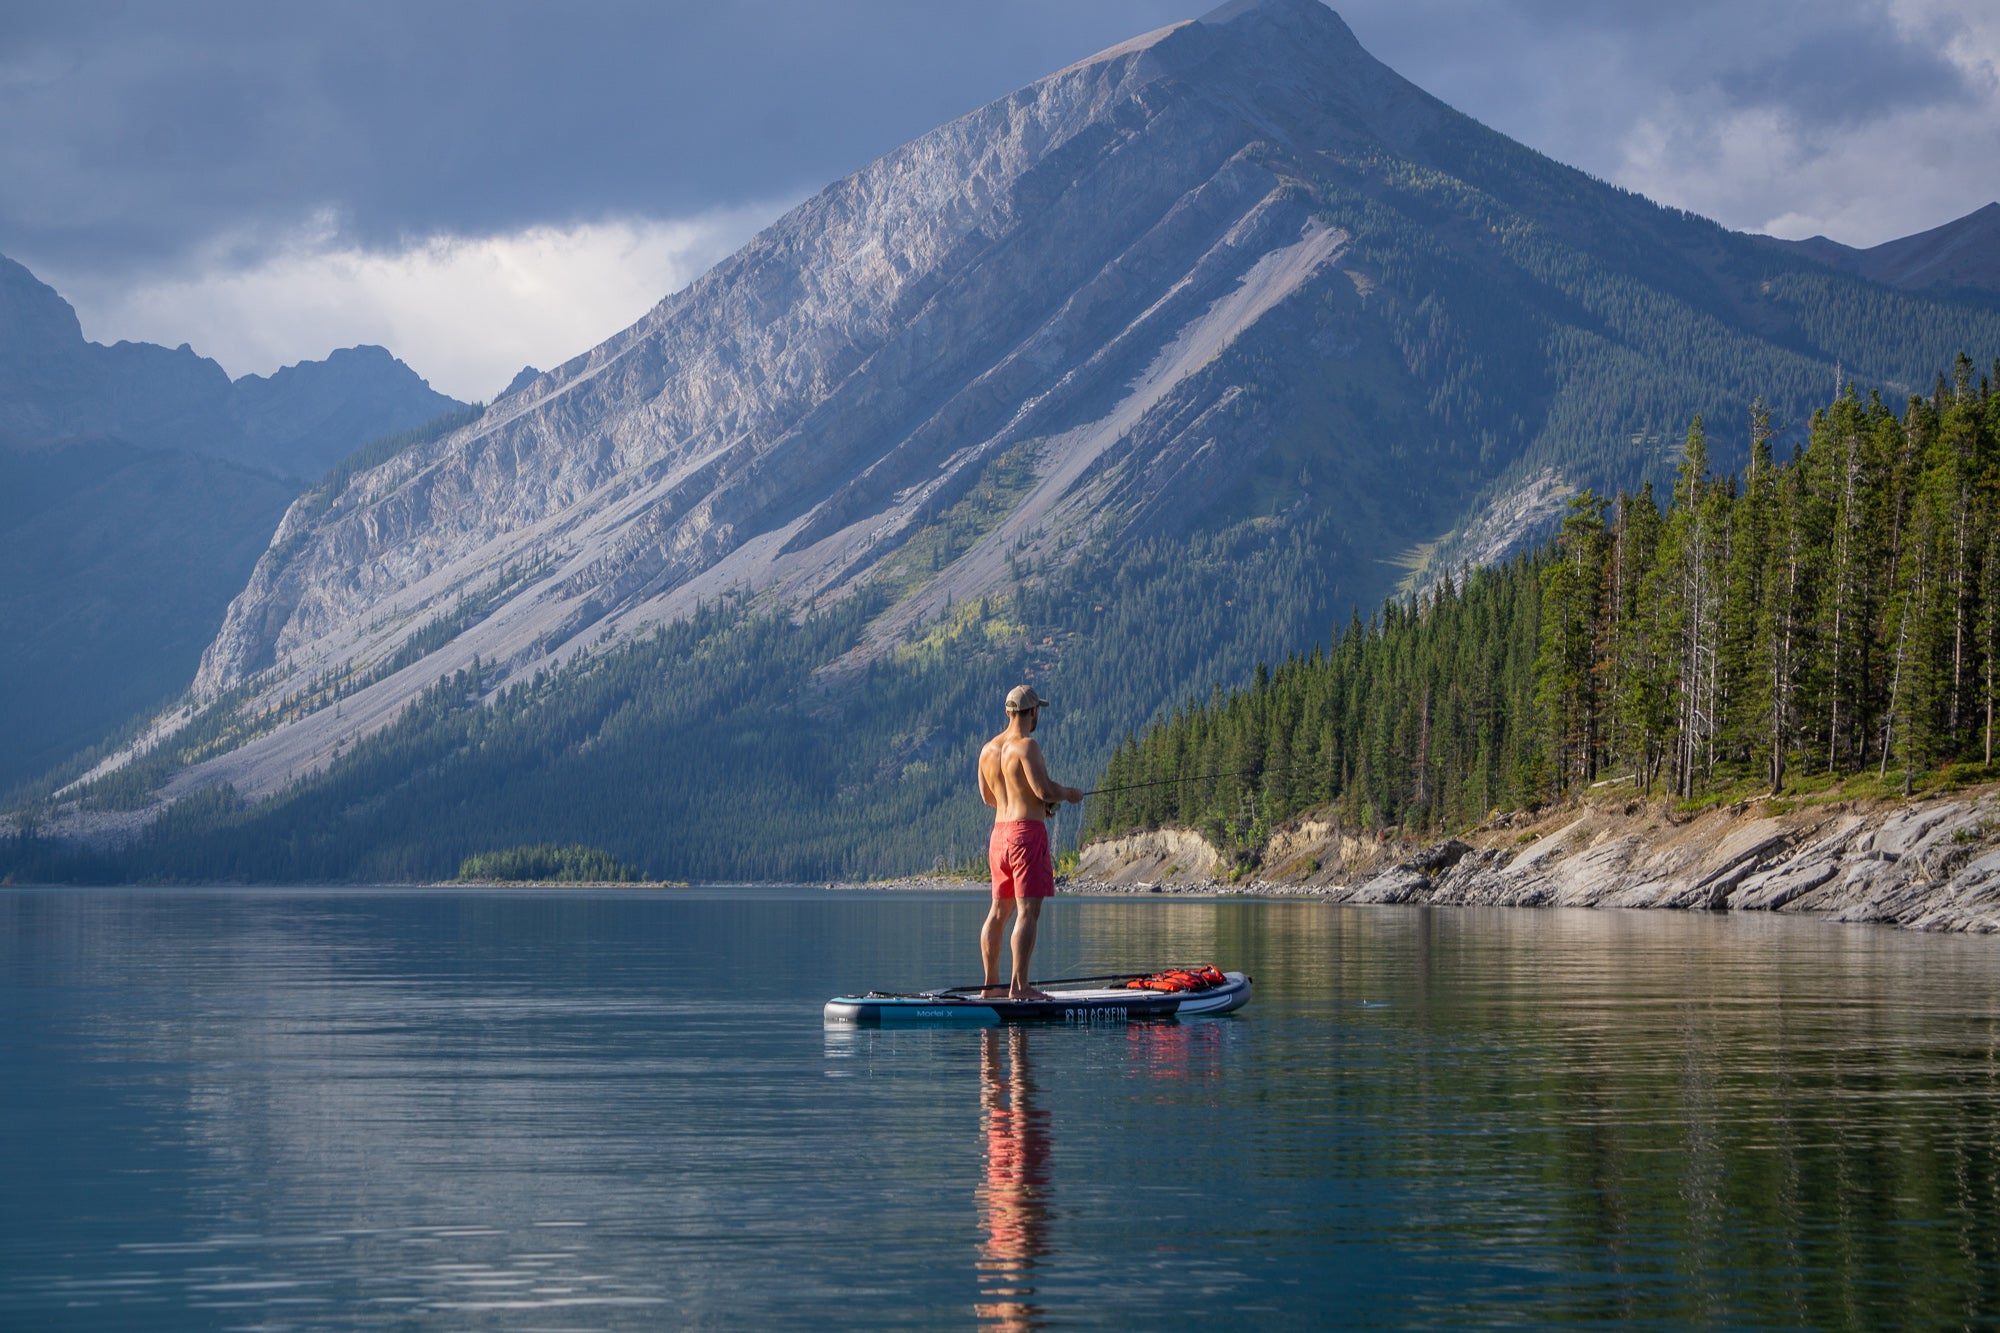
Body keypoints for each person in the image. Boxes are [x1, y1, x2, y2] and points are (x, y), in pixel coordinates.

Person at [977, 684, 1082, 1000]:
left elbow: (988, 798)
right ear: (1033, 712)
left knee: (998, 912)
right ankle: (1020, 987)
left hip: (999, 837)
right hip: (1026, 836)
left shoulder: (988, 750)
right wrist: (1068, 794)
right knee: (1027, 913)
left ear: (1007, 711)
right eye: (1038, 711)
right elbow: (1046, 791)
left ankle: (992, 985)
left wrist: (1035, 805)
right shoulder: (1027, 747)